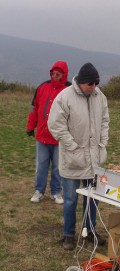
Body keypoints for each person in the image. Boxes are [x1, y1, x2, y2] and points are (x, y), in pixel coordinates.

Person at [48, 62, 110, 250]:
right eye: (90, 84)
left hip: (94, 159)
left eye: (96, 83)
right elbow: (55, 125)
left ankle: (89, 230)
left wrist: (102, 143)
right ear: (81, 82)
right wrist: (72, 146)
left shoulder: (100, 97)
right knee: (70, 199)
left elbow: (105, 120)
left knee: (92, 197)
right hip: (73, 158)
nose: (93, 87)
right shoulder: (64, 97)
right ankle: (68, 234)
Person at [26, 61, 71, 204]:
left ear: (64, 75)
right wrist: (30, 126)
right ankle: (39, 191)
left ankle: (56, 192)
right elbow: (35, 109)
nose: (55, 75)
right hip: (42, 136)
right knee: (41, 166)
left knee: (58, 167)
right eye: (53, 73)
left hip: (60, 138)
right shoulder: (42, 87)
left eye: (58, 73)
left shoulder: (69, 90)